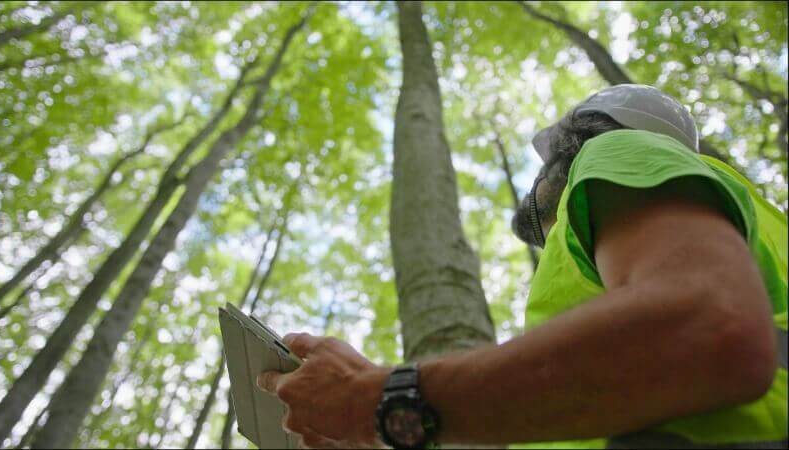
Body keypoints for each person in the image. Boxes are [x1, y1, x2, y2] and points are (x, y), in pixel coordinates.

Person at [257, 84, 788, 449]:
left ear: (576, 139)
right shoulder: (738, 214)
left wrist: (377, 399)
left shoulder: (617, 151)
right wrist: (373, 427)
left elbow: (707, 329)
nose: (538, 191)